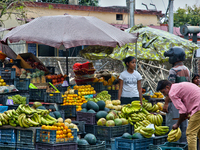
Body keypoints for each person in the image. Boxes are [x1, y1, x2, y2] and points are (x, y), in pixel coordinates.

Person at [156, 80, 200, 150]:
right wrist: (187, 115)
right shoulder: (177, 86)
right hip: (197, 105)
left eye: (163, 92)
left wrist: (177, 124)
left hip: (198, 108)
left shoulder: (172, 93)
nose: (164, 95)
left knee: (190, 133)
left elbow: (182, 111)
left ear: (167, 87)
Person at [163, 46, 190, 143]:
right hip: (185, 102)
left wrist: (166, 103)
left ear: (175, 57)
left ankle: (174, 146)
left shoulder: (173, 70)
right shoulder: (187, 69)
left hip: (175, 104)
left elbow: (171, 89)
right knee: (184, 128)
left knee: (174, 127)